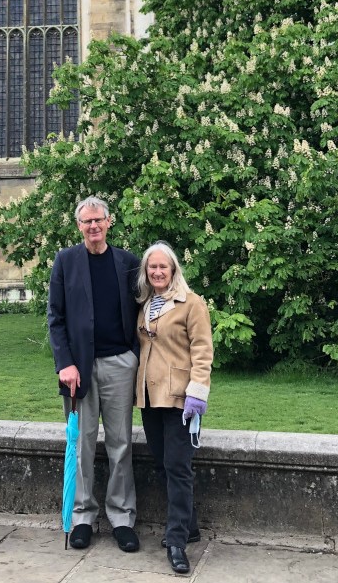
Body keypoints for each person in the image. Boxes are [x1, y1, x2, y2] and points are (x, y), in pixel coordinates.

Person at [47, 195, 141, 553]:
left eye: (98, 220)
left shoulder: (127, 262)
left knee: (121, 445)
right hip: (78, 369)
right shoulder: (66, 261)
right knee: (81, 444)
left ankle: (121, 517)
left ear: (109, 221)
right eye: (86, 222)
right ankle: (83, 516)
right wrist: (64, 363)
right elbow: (55, 317)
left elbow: (142, 309)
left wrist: (133, 355)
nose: (93, 226)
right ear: (79, 226)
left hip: (120, 364)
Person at [135, 241, 213, 576]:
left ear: (173, 270)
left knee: (179, 467)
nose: (157, 272)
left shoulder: (191, 303)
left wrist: (197, 393)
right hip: (150, 397)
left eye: (162, 267)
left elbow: (202, 349)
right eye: (151, 267)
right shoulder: (145, 304)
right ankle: (190, 525)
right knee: (164, 464)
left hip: (181, 398)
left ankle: (177, 540)